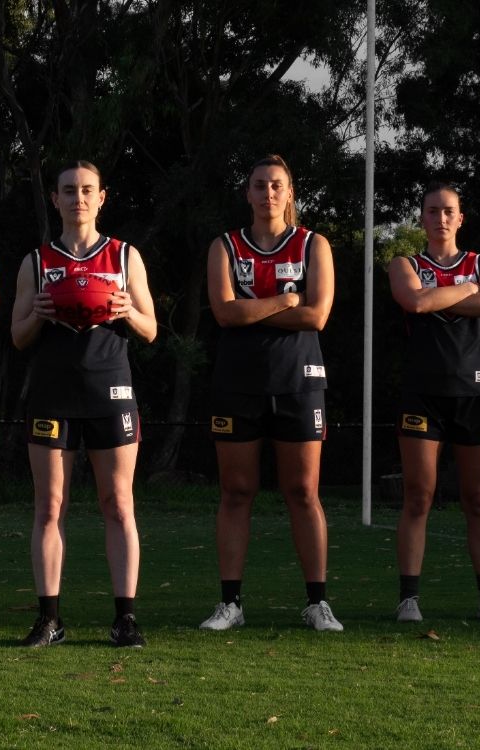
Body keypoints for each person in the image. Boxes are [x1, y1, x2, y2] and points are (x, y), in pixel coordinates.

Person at [10, 160, 158, 647]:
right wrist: (37, 313)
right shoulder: (36, 261)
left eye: (87, 190)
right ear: (55, 198)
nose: (78, 198)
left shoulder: (123, 256)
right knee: (50, 506)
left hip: (110, 389)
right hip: (53, 393)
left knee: (118, 504)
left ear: (102, 197)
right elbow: (17, 336)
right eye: (68, 190)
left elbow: (152, 328)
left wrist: (126, 310)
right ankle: (49, 618)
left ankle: (125, 618)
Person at [199, 154, 342, 632]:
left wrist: (251, 309)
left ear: (290, 192)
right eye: (259, 185)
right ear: (247, 193)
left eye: (277, 185)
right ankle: (230, 604)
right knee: (237, 492)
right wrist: (283, 301)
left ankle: (317, 602)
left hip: (299, 380)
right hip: (238, 383)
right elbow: (223, 313)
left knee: (303, 491)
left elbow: (317, 316)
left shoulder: (312, 244)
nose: (268, 193)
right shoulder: (225, 246)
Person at [388, 183, 480, 622]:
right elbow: (415, 300)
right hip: (423, 394)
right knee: (418, 497)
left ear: (461, 218)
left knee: (478, 499)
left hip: (476, 393)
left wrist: (445, 293)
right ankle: (409, 599)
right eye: (432, 211)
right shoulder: (404, 263)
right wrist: (465, 291)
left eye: (449, 212)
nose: (440, 218)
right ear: (421, 218)